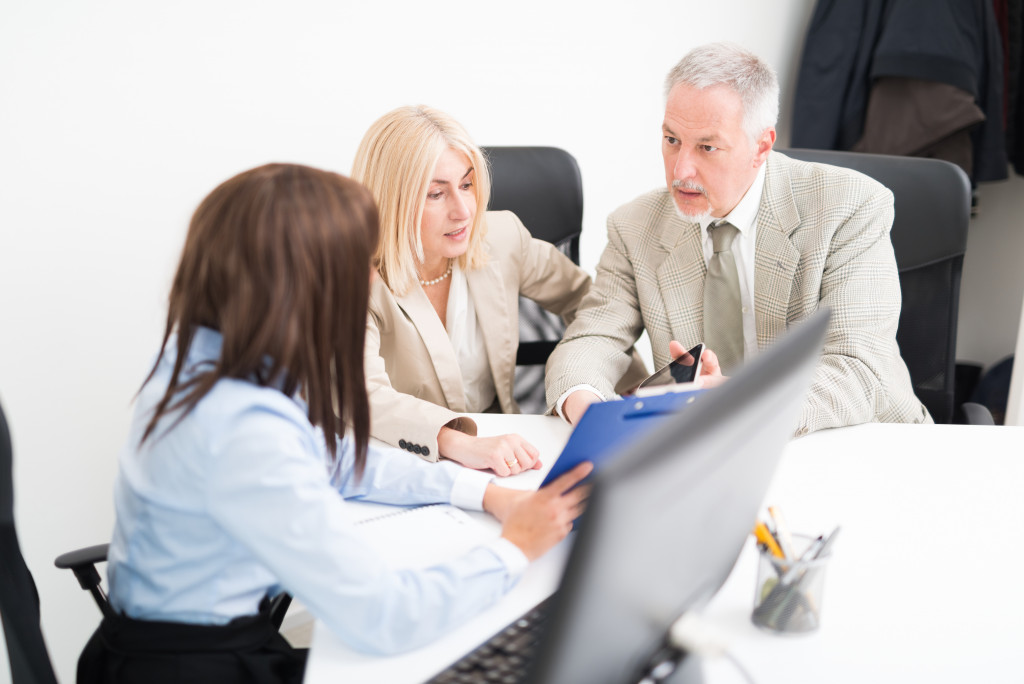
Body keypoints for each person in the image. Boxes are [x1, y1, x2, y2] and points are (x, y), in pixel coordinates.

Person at [80, 163, 592, 684]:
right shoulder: (238, 427)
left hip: (182, 640)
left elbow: (337, 459)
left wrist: (483, 493)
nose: (374, 277)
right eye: (360, 263)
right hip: (190, 668)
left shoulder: (214, 352)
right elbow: (383, 615)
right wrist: (515, 549)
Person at [546, 42, 931, 434]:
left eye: (707, 147)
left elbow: (858, 369)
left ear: (761, 146)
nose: (682, 169)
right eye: (672, 140)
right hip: (704, 450)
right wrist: (588, 406)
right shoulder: (634, 227)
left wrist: (741, 400)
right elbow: (591, 339)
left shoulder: (849, 206)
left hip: (851, 440)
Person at [352, 105, 646, 475]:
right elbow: (364, 395)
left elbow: (595, 309)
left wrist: (633, 395)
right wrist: (461, 444)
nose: (463, 211)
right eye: (435, 194)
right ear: (391, 201)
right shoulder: (355, 277)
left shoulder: (502, 238)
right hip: (407, 460)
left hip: (507, 450)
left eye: (466, 185)